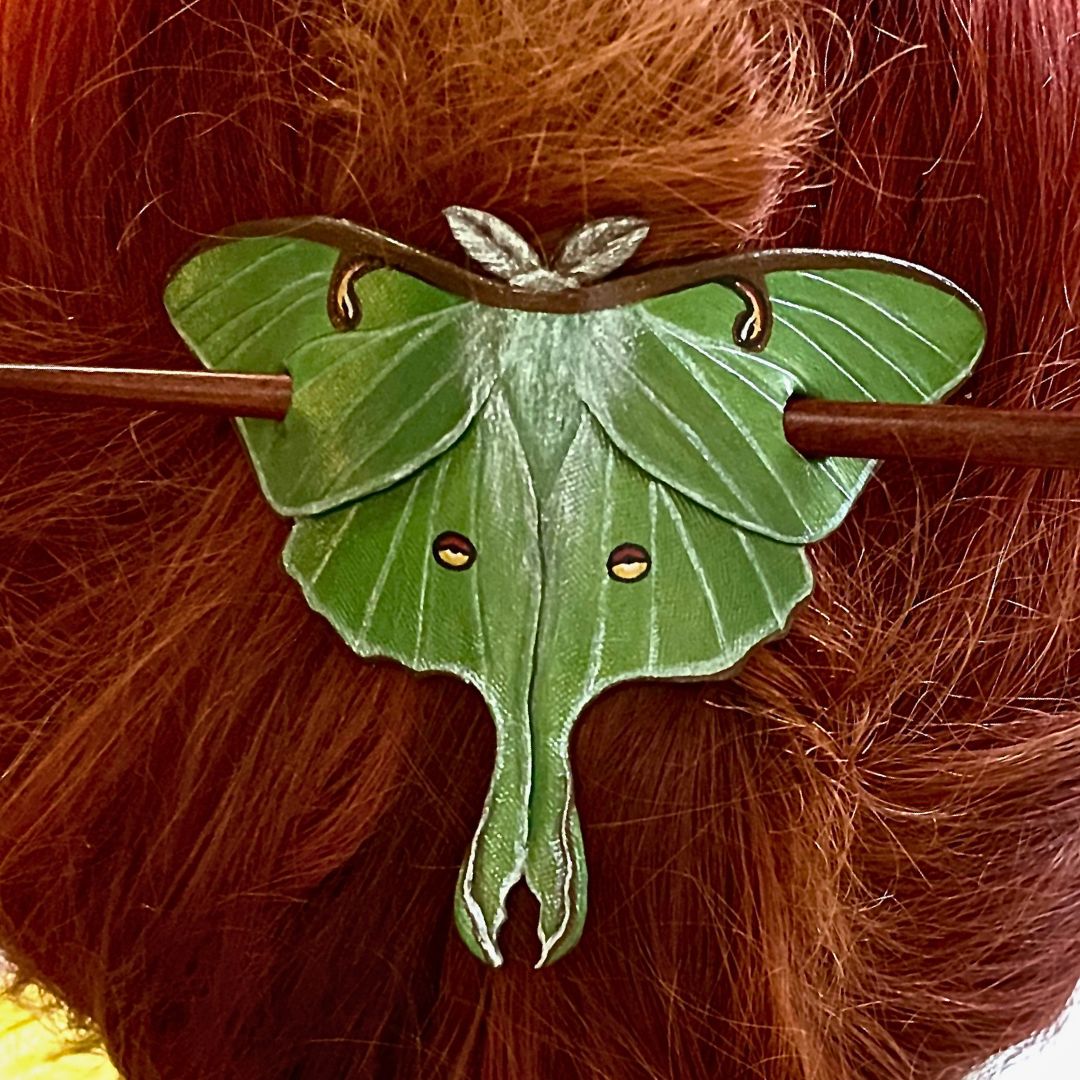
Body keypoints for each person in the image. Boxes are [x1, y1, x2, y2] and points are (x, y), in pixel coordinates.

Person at [1, 1, 1078, 1077]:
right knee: (541, 718)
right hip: (658, 542)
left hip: (424, 543)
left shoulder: (346, 305)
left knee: (529, 718)